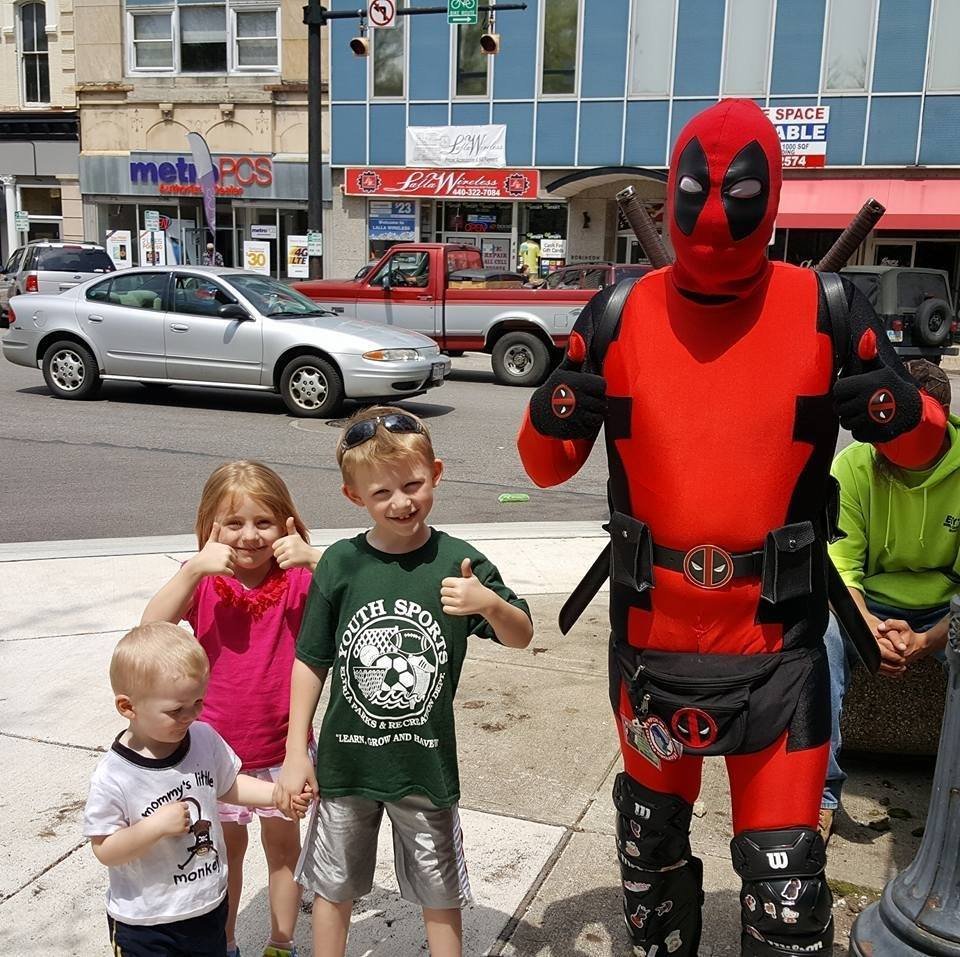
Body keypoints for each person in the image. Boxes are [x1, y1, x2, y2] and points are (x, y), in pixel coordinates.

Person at [516, 98, 947, 956]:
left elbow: (927, 444)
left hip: (778, 648)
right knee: (650, 854)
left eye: (740, 191)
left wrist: (895, 407)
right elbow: (543, 461)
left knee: (787, 885)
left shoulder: (827, 306)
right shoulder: (617, 316)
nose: (715, 212)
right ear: (672, 191)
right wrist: (558, 403)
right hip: (651, 637)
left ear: (773, 193)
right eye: (698, 189)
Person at [274, 406, 533, 957]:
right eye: (381, 493)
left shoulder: (460, 563)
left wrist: (487, 604)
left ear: (436, 473)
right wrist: (297, 750)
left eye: (413, 484)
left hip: (425, 764)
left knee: (440, 891)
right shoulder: (340, 565)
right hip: (346, 763)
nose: (401, 502)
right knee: (332, 884)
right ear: (353, 497)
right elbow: (310, 659)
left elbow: (521, 634)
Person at [142, 461, 322, 957]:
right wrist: (197, 565)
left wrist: (314, 559)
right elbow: (149, 629)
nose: (249, 536)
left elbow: (353, 596)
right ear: (210, 527)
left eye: (263, 522)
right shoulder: (201, 580)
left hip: (283, 750)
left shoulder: (298, 581)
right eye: (234, 523)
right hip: (213, 755)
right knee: (222, 856)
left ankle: (281, 944)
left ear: (286, 523)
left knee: (284, 853)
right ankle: (225, 944)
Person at [83, 622, 310, 956]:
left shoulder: (203, 739)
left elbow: (228, 785)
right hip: (146, 922)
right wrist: (154, 828)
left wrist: (277, 796)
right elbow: (105, 848)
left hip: (207, 906)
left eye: (198, 702)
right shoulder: (116, 775)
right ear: (128, 707)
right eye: (177, 710)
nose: (191, 715)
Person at [821, 359, 960, 842]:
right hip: (868, 603)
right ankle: (819, 799)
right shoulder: (855, 463)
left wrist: (926, 640)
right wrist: (864, 627)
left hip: (945, 608)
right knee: (817, 635)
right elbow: (841, 565)